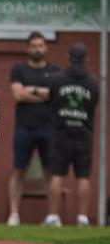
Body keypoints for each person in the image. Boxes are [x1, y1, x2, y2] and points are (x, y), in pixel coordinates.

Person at [43, 43, 99, 227]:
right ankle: (82, 217)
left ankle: (53, 217)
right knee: (83, 176)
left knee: (57, 174)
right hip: (84, 132)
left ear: (67, 57)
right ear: (86, 59)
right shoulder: (93, 83)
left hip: (61, 131)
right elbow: (93, 106)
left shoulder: (56, 79)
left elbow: (49, 100)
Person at [6, 32, 59, 226]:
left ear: (46, 48)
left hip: (49, 128)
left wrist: (30, 90)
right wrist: (42, 92)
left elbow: (55, 96)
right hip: (25, 129)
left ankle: (53, 216)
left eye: (41, 45)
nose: (38, 49)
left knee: (51, 172)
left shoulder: (55, 71)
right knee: (19, 170)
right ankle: (14, 215)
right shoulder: (19, 70)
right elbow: (18, 95)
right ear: (28, 48)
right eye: (34, 46)